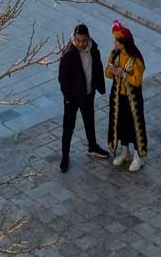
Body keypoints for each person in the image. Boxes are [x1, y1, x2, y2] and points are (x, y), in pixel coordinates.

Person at [56, 23, 110, 172]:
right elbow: (62, 78)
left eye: (84, 40)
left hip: (88, 93)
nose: (81, 43)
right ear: (74, 38)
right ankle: (65, 157)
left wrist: (96, 86)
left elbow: (97, 67)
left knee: (89, 122)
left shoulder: (93, 49)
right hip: (72, 98)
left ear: (88, 38)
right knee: (68, 128)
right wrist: (67, 97)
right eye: (78, 40)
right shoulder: (68, 53)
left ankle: (92, 146)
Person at [105, 20, 147, 171]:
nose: (114, 43)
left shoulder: (136, 60)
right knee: (120, 124)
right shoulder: (114, 55)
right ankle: (124, 151)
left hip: (132, 99)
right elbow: (107, 73)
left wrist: (123, 74)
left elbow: (137, 81)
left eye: (117, 41)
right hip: (118, 97)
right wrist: (113, 70)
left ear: (123, 43)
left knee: (135, 125)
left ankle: (139, 155)